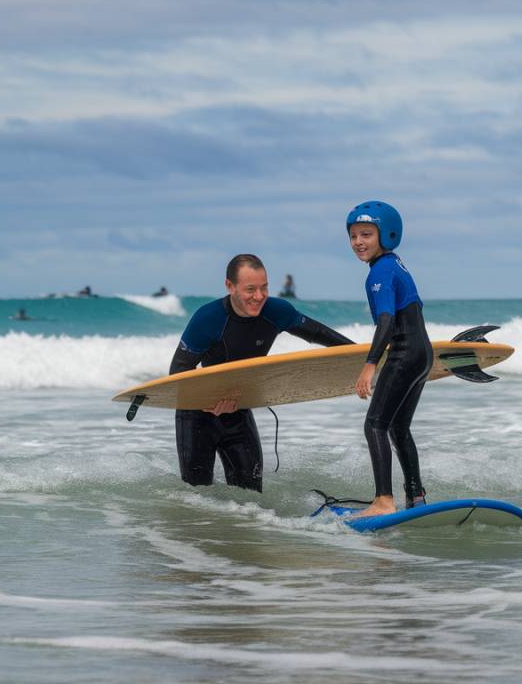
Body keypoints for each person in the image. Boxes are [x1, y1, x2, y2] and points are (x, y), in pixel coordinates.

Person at [169, 254, 354, 492]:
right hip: (197, 418)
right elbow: (178, 373)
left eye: (264, 288)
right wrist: (208, 402)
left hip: (238, 410)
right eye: (250, 289)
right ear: (230, 286)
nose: (259, 296)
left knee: (252, 499)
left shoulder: (276, 311)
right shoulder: (208, 319)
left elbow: (317, 333)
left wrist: (359, 356)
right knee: (197, 498)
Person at [348, 201, 432, 517]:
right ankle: (416, 498)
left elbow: (386, 322)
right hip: (422, 354)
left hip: (404, 353)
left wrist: (370, 365)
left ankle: (384, 500)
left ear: (388, 235)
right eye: (353, 235)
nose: (358, 242)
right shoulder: (396, 265)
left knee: (374, 426)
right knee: (398, 428)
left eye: (366, 234)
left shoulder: (379, 273)